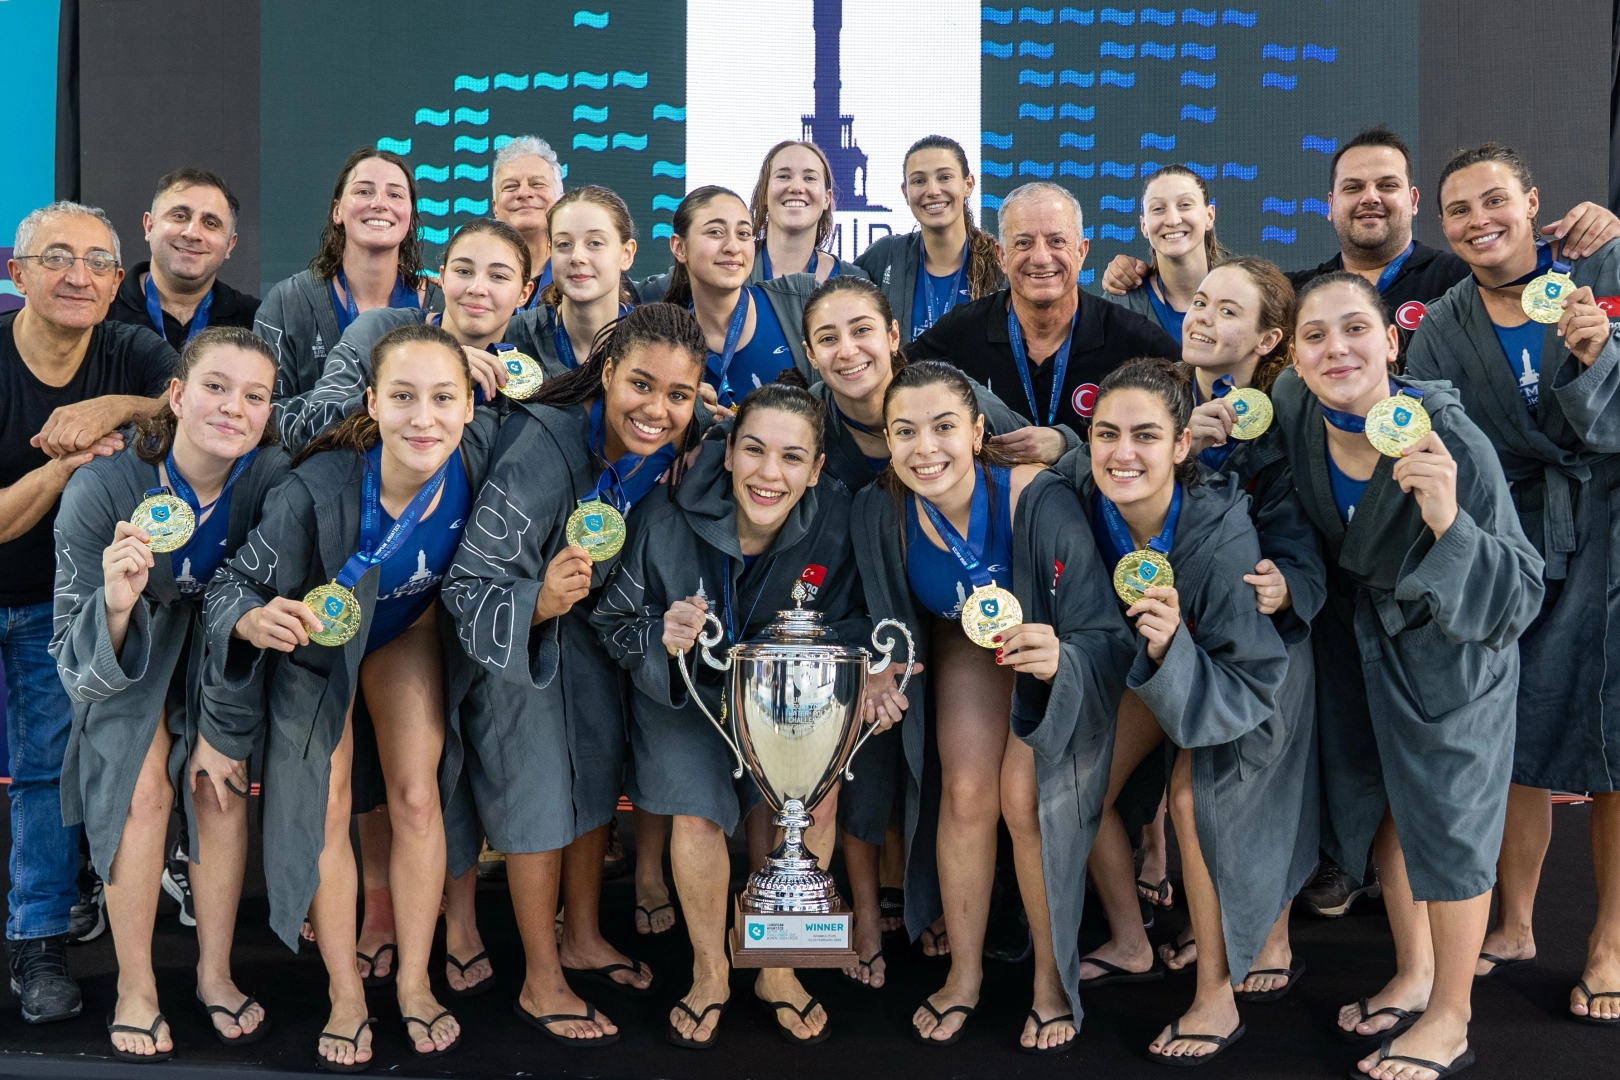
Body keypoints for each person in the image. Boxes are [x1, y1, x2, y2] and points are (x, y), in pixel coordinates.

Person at [203, 323, 498, 1068]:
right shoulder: (317, 490)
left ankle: (416, 981)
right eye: (401, 397)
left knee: (418, 798)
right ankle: (343, 990)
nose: (422, 418)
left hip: (400, 631)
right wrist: (251, 615)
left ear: (470, 407)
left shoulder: (479, 456)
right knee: (329, 803)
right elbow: (230, 585)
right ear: (372, 400)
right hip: (317, 648)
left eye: (442, 398)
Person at [1272, 272, 1543, 1079]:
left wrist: (1450, 522)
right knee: (1393, 808)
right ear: (1293, 357)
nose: (1337, 349)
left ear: (1391, 342)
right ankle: (1415, 971)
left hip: (1455, 652)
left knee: (1452, 827)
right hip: (1363, 647)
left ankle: (1452, 1015)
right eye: (1315, 336)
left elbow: (1521, 589)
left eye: (1356, 329)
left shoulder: (1450, 440)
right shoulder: (1291, 406)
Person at [593, 374, 900, 1046]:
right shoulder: (662, 513)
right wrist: (659, 635)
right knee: (698, 816)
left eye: (792, 458)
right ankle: (710, 970)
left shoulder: (836, 521)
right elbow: (613, 618)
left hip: (787, 697)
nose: (769, 473)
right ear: (727, 452)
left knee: (813, 802)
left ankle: (780, 967)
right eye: (754, 451)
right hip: (688, 697)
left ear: (818, 470)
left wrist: (869, 671)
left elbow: (854, 619)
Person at [849, 360, 1132, 1052]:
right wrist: (880, 664)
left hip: (1054, 648)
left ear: (977, 431)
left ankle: (1049, 979)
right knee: (967, 792)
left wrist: (1063, 655)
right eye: (906, 431)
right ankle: (966, 976)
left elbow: (1104, 629)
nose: (926, 448)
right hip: (969, 643)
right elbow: (872, 616)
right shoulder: (879, 509)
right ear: (886, 440)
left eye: (945, 427)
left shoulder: (1035, 497)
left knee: (1021, 796)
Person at [442, 303, 706, 1046]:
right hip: (512, 639)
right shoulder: (542, 443)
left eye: (679, 396)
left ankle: (582, 935)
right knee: (538, 794)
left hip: (585, 632)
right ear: (607, 370)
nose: (658, 411)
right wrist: (538, 602)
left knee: (595, 773)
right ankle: (539, 977)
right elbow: (470, 586)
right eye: (642, 386)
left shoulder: (673, 444)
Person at [1406, 143, 1620, 1024]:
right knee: (1513, 725)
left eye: (1495, 200)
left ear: (1534, 202)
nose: (1478, 221)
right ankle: (1518, 919)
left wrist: (1601, 355)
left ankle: (1610, 940)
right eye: (1458, 211)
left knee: (1612, 740)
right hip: (1513, 536)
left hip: (1607, 526)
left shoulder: (1601, 268)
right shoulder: (1444, 322)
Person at [1058, 351, 1315, 1065]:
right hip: (1163, 665)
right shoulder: (1085, 498)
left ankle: (1215, 995)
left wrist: (1175, 650)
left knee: (1192, 795)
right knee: (1082, 783)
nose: (1123, 452)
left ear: (1180, 446)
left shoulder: (1221, 532)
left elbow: (1250, 669)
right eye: (1106, 434)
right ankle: (1130, 939)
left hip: (1251, 678)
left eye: (1144, 436)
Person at [51, 327, 286, 1060]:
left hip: (224, 648)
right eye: (215, 387)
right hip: (135, 644)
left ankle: (215, 974)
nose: (232, 408)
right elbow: (70, 653)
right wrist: (117, 604)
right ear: (177, 396)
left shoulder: (273, 480)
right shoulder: (104, 486)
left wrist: (224, 721)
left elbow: (262, 612)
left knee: (217, 781)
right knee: (139, 788)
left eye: (254, 396)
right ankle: (135, 984)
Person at [2, 201, 175, 1024]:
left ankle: (38, 943)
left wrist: (113, 408)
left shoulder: (130, 348)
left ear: (116, 282)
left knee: (43, 772)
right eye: (57, 258)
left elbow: (193, 402)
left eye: (98, 263)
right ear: (17, 273)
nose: (78, 276)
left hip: (55, 603)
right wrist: (65, 471)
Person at [1154, 258, 1324, 1000]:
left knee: (1211, 794)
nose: (1201, 318)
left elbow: (1310, 533)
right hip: (1174, 636)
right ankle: (1214, 925)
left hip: (1266, 642)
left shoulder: (1287, 418)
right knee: (1172, 795)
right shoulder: (1160, 395)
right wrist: (1177, 444)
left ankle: (1271, 932)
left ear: (1267, 339)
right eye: (1198, 303)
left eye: (1227, 312)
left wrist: (1292, 583)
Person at [1101, 126, 1620, 368]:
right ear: (1329, 204)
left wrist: (1601, 225)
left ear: (1414, 201)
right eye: (1352, 188)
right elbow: (1222, 323)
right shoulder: (1299, 291)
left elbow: (1522, 262)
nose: (1370, 198)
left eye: (1387, 186)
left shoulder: (1461, 279)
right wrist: (1143, 270)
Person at [909, 181, 1179, 459]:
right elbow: (891, 386)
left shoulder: (1133, 338)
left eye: (1057, 241)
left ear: (1082, 252)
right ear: (1002, 256)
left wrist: (1070, 444)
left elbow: (1188, 416)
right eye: (1023, 243)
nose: (1040, 257)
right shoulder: (959, 333)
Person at [276, 217, 537, 450]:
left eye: (499, 276)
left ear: (524, 294)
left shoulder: (529, 372)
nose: (477, 288)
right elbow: (309, 427)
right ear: (443, 278)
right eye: (464, 271)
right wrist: (434, 369)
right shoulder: (377, 331)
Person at [254, 148, 440, 409]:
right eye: (364, 191)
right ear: (337, 211)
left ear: (410, 218)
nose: (379, 203)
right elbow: (262, 409)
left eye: (395, 194)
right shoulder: (288, 303)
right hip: (315, 450)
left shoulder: (440, 305)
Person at [662, 186, 820, 401]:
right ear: (679, 247)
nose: (733, 247)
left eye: (743, 234)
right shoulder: (663, 339)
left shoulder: (800, 303)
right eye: (715, 232)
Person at [856, 135, 1002, 344]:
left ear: (968, 184)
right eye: (919, 181)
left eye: (944, 177)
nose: (932, 191)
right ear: (905, 193)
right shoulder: (886, 256)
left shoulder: (1000, 263)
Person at [106, 169, 259, 350]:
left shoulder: (256, 321)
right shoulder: (101, 307)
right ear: (149, 226)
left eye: (210, 223)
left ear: (230, 245)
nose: (192, 233)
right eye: (180, 216)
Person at [504, 186, 637, 373]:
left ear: (626, 254)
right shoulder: (515, 337)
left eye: (595, 243)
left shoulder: (653, 341)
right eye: (564, 244)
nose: (577, 257)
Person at [1101, 165, 1226, 340]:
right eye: (1158, 209)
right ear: (1144, 226)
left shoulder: (1244, 296)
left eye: (1185, 205)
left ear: (1209, 216)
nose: (1173, 220)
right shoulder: (1121, 305)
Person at [746, 140, 864, 284]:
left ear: (827, 199)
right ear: (764, 193)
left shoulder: (855, 283)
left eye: (810, 178)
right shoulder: (733, 266)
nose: (796, 187)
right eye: (783, 176)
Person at [491, 136, 565, 307]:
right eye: (510, 186)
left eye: (537, 184)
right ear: (495, 207)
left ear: (561, 202)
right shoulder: (474, 282)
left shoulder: (580, 276)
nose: (524, 193)